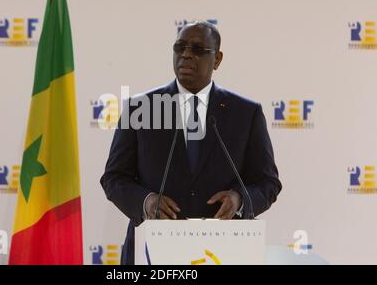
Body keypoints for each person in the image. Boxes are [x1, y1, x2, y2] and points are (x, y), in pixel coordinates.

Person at [100, 21, 282, 265]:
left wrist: (240, 199)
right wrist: (146, 202)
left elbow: (268, 183)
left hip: (222, 252)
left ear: (217, 59)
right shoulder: (141, 109)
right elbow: (113, 178)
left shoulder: (245, 114)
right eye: (180, 47)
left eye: (198, 49)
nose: (186, 54)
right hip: (151, 252)